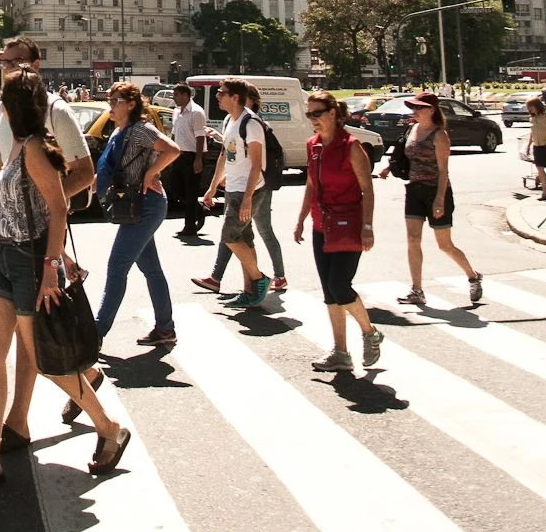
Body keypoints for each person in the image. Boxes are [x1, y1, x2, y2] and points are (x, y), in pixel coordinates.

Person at [0, 71, 129, 487]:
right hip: (5, 260)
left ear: (15, 106)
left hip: (30, 262)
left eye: (3, 98)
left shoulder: (34, 151)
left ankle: (109, 427)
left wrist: (51, 268)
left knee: (47, 361)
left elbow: (58, 209)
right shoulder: (16, 147)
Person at [0, 36, 95, 449]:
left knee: (35, 339)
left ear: (36, 64)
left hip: (39, 240)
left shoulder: (56, 111)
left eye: (17, 61)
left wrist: (49, 201)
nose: (9, 68)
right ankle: (15, 422)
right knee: (8, 341)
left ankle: (24, 420)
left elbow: (86, 172)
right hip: (6, 238)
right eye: (4, 62)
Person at [63, 84, 178, 415]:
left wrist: (151, 173)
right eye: (111, 101)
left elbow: (172, 150)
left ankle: (97, 334)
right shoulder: (121, 131)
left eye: (115, 101)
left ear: (130, 104)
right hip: (135, 206)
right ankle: (165, 328)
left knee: (117, 268)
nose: (110, 106)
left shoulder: (141, 129)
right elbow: (109, 168)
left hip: (146, 205)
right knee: (151, 269)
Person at [294, 92, 383, 373]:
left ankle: (370, 332)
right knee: (329, 293)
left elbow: (367, 189)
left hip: (348, 225)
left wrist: (367, 226)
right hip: (322, 225)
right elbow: (311, 184)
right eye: (308, 115)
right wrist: (301, 219)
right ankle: (341, 352)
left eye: (316, 114)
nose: (312, 120)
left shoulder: (352, 147)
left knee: (339, 286)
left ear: (333, 113)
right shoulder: (313, 145)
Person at [382, 92, 482, 306]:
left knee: (444, 245)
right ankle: (417, 289)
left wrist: (439, 199)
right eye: (413, 107)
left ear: (431, 110)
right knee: (412, 239)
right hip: (414, 190)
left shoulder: (439, 135)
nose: (414, 111)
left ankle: (473, 276)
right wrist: (387, 169)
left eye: (419, 107)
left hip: (437, 191)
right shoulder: (412, 130)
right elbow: (403, 155)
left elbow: (444, 170)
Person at [192, 86, 287, 297]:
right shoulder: (229, 121)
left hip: (248, 190)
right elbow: (224, 156)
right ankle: (250, 291)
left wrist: (247, 198)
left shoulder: (251, 123)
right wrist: (213, 187)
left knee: (229, 236)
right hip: (233, 188)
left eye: (221, 93)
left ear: (235, 97)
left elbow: (256, 164)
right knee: (245, 239)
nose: (217, 96)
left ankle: (259, 279)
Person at [170, 82, 208, 241]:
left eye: (177, 95)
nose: (174, 98)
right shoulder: (176, 112)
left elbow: (200, 136)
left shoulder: (196, 112)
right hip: (179, 155)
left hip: (192, 156)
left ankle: (190, 226)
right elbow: (173, 133)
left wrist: (198, 159)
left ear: (186, 95)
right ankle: (199, 209)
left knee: (191, 192)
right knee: (175, 188)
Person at [526, 95, 546, 199]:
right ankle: (545, 192)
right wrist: (529, 145)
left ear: (537, 106)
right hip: (537, 145)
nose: (530, 109)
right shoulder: (532, 119)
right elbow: (532, 132)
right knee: (540, 168)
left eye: (532, 106)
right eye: (529, 107)